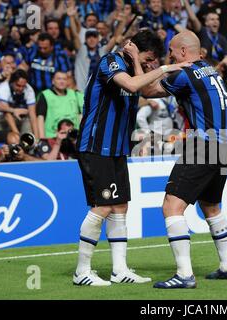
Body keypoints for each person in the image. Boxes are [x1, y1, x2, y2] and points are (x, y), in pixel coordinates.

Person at [73, 29, 187, 286]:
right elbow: (134, 85)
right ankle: (81, 272)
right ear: (134, 48)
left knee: (121, 206)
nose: (151, 63)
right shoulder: (110, 61)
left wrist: (182, 81)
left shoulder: (136, 68)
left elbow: (146, 88)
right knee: (102, 206)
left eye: (154, 60)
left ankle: (119, 269)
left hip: (117, 149)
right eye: (149, 57)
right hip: (95, 146)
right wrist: (167, 66)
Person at [129, 30, 227, 289]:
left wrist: (136, 59)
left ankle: (185, 274)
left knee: (171, 207)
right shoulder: (211, 71)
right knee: (211, 205)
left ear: (181, 52)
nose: (168, 56)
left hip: (203, 144)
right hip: (225, 145)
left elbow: (146, 89)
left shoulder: (184, 73)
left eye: (170, 52)